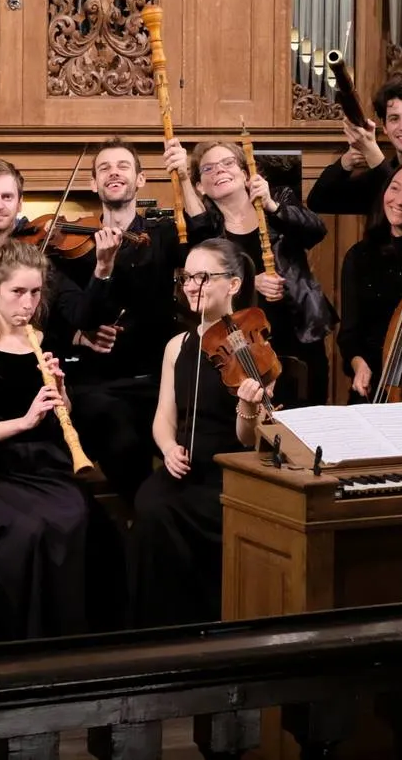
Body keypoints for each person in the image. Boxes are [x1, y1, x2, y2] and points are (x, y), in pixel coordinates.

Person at [0, 242, 91, 640]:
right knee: (26, 530)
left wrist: (61, 393)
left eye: (35, 293)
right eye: (18, 292)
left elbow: (63, 415)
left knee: (74, 517)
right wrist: (24, 420)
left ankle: (65, 639)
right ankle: (15, 639)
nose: (28, 303)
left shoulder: (46, 339)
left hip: (43, 459)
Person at [128, 240, 268, 627]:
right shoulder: (178, 345)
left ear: (234, 285)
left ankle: (205, 626)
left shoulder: (251, 348)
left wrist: (248, 406)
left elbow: (246, 439)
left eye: (203, 277)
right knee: (150, 503)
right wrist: (169, 447)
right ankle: (157, 631)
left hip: (229, 473)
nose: (192, 285)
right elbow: (163, 418)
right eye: (187, 277)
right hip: (184, 468)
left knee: (167, 512)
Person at [48, 137, 184, 504]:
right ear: (93, 184)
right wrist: (102, 268)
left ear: (140, 180)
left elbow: (204, 234)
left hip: (158, 378)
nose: (114, 173)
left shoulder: (163, 236)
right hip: (100, 384)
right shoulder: (69, 249)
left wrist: (184, 176)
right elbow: (81, 317)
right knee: (120, 438)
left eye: (123, 166)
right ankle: (145, 516)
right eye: (104, 168)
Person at [162, 138, 335, 407]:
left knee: (307, 420)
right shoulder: (209, 227)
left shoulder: (279, 200)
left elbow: (316, 231)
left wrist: (270, 205)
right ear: (200, 186)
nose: (219, 170)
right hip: (241, 346)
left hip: (297, 332)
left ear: (245, 174)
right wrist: (251, 282)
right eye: (208, 169)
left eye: (228, 163)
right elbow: (205, 278)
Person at [0, 158, 119, 356]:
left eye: (7, 197)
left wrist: (103, 268)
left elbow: (82, 316)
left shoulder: (40, 258)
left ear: (20, 203)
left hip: (36, 370)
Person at [337, 164, 402, 401]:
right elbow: (349, 335)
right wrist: (359, 365)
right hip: (375, 386)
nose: (399, 200)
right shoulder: (359, 255)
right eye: (394, 189)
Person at [308, 80, 402, 219]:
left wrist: (371, 153)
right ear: (385, 127)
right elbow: (318, 201)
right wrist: (348, 160)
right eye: (394, 119)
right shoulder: (380, 174)